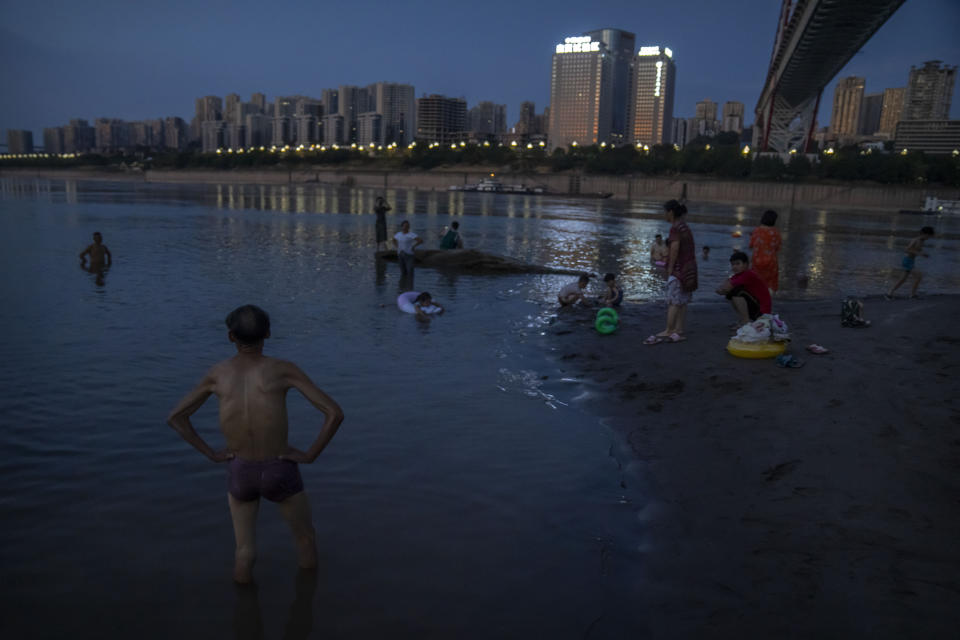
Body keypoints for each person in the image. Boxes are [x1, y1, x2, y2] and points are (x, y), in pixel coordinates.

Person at [166, 305, 344, 584]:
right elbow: (334, 413)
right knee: (305, 539)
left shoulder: (217, 374)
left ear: (230, 337)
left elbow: (176, 417)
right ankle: (308, 607)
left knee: (244, 551)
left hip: (240, 470)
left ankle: (244, 616)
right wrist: (310, 455)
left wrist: (212, 454)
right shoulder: (283, 370)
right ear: (269, 333)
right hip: (280, 467)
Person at [645, 200, 697, 344]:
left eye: (665, 212)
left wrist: (670, 268)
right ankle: (678, 330)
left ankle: (669, 330)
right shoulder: (685, 227)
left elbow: (674, 249)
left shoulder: (675, 228)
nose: (664, 215)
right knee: (682, 300)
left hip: (679, 269)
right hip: (689, 268)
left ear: (671, 212)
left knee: (674, 301)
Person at [715, 251, 772, 327]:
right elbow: (722, 289)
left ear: (746, 264)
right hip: (756, 310)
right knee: (731, 293)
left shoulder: (748, 274)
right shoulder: (738, 275)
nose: (734, 267)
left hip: (762, 312)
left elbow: (726, 287)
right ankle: (743, 319)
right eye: (733, 264)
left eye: (738, 264)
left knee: (736, 292)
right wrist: (723, 289)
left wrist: (724, 289)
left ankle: (745, 321)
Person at [887, 226, 935, 299]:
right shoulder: (916, 240)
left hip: (911, 261)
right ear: (924, 234)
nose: (929, 238)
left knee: (903, 279)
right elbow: (906, 250)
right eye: (929, 236)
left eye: (930, 236)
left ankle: (890, 293)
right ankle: (912, 295)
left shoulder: (922, 241)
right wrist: (919, 253)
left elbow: (916, 250)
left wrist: (923, 253)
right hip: (907, 260)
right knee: (919, 276)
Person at [749, 209, 782, 295]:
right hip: (771, 261)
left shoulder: (756, 231)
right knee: (770, 283)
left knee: (756, 281)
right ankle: (768, 298)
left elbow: (751, 245)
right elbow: (777, 248)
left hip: (757, 260)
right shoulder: (776, 232)